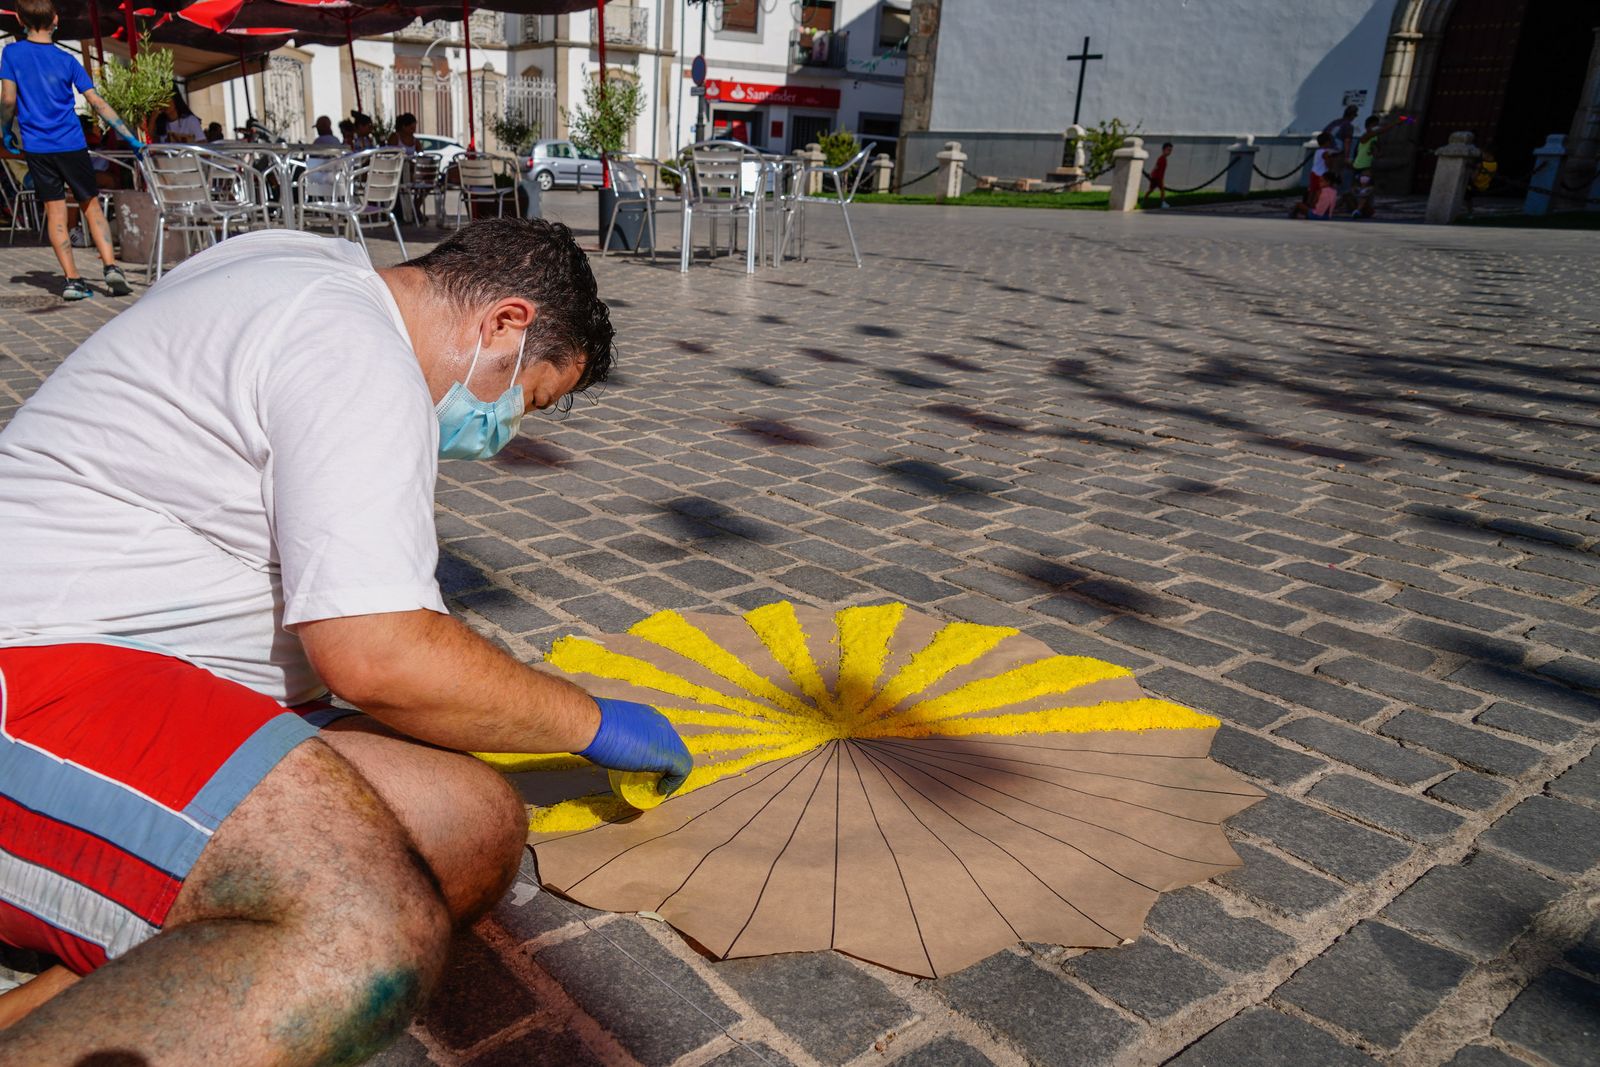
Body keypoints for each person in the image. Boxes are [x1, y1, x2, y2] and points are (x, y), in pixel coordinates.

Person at [0, 217, 693, 1063]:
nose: (503, 426)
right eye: (524, 396)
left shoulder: (304, 265)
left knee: (469, 820)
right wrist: (591, 723)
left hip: (158, 675)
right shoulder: (356, 354)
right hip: (38, 667)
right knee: (362, 938)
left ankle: (73, 1004)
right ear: (504, 323)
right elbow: (380, 654)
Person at [0, 0, 140, 300]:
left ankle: (73, 281)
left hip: (38, 147)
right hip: (72, 144)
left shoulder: (11, 53)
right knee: (90, 205)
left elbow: (8, 100)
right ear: (55, 19)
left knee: (56, 213)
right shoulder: (68, 61)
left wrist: (5, 131)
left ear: (20, 20)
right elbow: (97, 102)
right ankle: (111, 267)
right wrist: (131, 138)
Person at [1143, 141, 1173, 209]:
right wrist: (1154, 175)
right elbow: (1157, 167)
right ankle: (1162, 203)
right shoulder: (1162, 159)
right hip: (1158, 178)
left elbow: (1156, 167)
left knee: (1151, 190)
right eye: (1168, 150)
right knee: (1162, 191)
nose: (1169, 152)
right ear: (1163, 150)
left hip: (1156, 177)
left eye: (1170, 150)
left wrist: (1152, 174)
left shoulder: (1163, 158)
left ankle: (1144, 200)